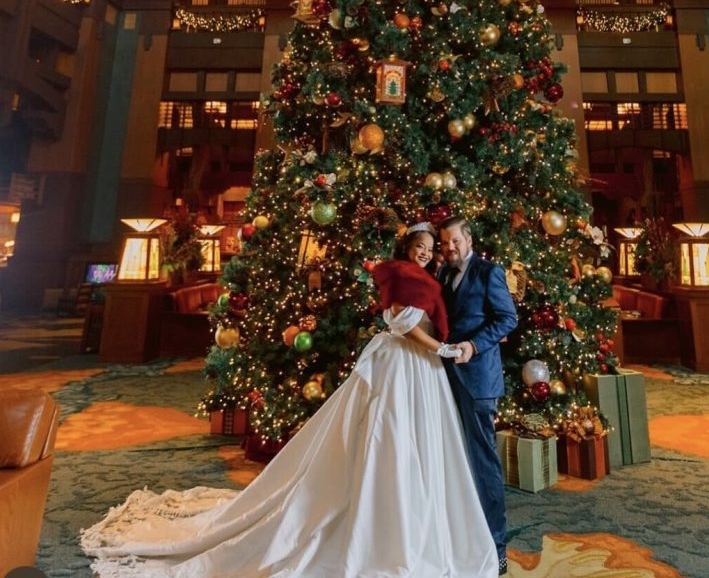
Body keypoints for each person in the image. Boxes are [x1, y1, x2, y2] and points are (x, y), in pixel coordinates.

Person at [80, 221, 499, 578]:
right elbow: (405, 322)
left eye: (436, 247)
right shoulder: (400, 274)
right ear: (408, 248)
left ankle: (416, 518)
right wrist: (440, 349)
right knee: (385, 434)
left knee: (419, 438)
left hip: (425, 372)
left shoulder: (439, 274)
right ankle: (380, 523)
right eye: (423, 247)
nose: (430, 253)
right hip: (406, 363)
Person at [438, 216, 518, 578]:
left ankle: (496, 547)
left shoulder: (489, 272)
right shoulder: (442, 274)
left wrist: (473, 345)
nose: (450, 248)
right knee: (452, 460)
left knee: (483, 462)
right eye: (445, 243)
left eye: (455, 241)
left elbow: (507, 318)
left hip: (477, 380)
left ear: (468, 239)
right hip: (442, 379)